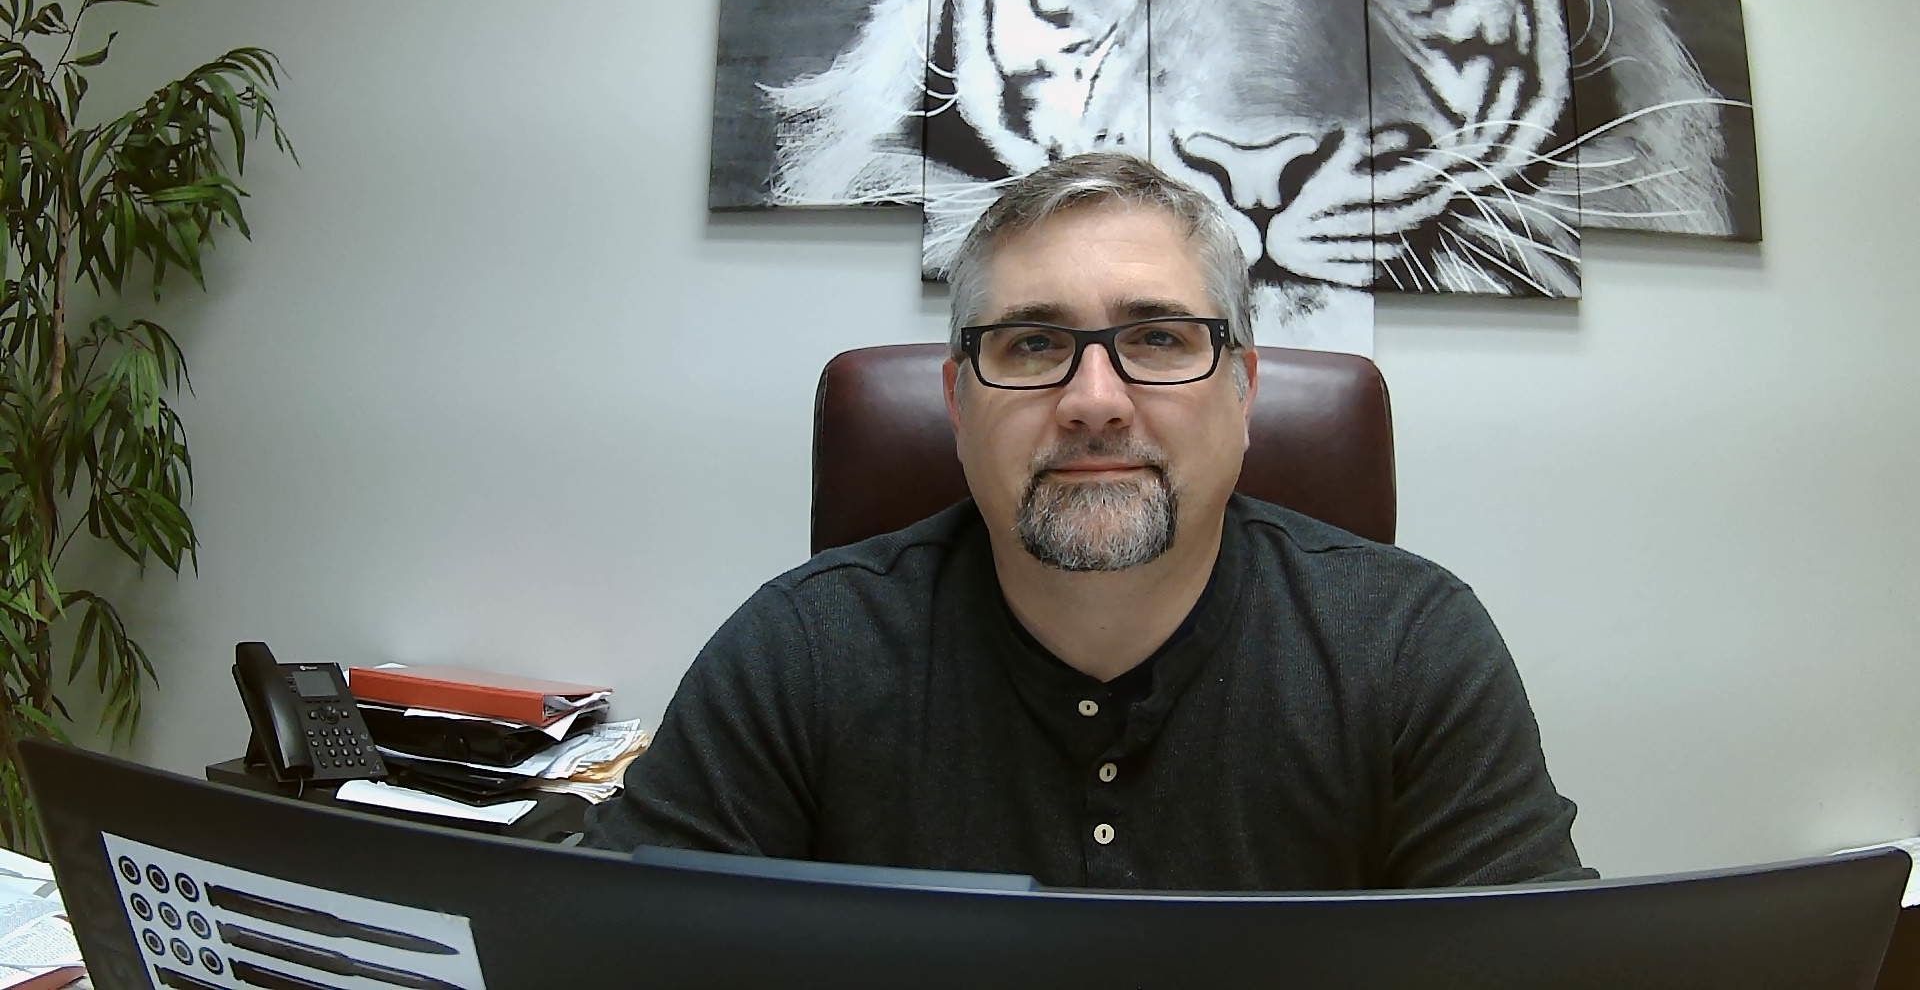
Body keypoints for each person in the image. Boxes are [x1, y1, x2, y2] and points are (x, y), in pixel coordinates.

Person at [585, 153, 1594, 889]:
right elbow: (603, 954)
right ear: (958, 400)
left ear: (1243, 391)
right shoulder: (800, 648)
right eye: (1031, 343)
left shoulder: (1411, 646)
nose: (1095, 399)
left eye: (1158, 337)